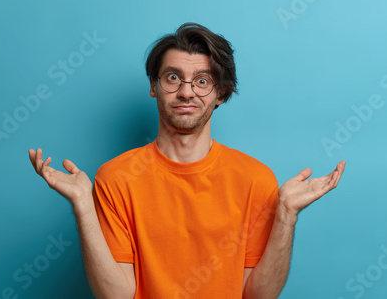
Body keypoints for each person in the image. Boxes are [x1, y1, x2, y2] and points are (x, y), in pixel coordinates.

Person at [28, 23, 345, 299]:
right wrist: (83, 205)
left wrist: (286, 216)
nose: (186, 92)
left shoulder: (255, 180)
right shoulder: (115, 178)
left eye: (202, 81)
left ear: (220, 93)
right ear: (154, 86)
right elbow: (117, 295)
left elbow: (258, 295)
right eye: (172, 77)